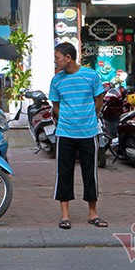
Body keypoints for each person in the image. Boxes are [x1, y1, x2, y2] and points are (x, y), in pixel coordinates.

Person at [49, 42, 107, 230]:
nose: (55, 61)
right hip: (65, 133)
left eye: (57, 57)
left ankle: (93, 213)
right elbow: (55, 105)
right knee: (64, 173)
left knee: (90, 173)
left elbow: (99, 100)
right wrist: (67, 118)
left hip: (88, 132)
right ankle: (65, 215)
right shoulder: (56, 80)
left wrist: (89, 116)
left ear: (68, 58)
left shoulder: (91, 76)